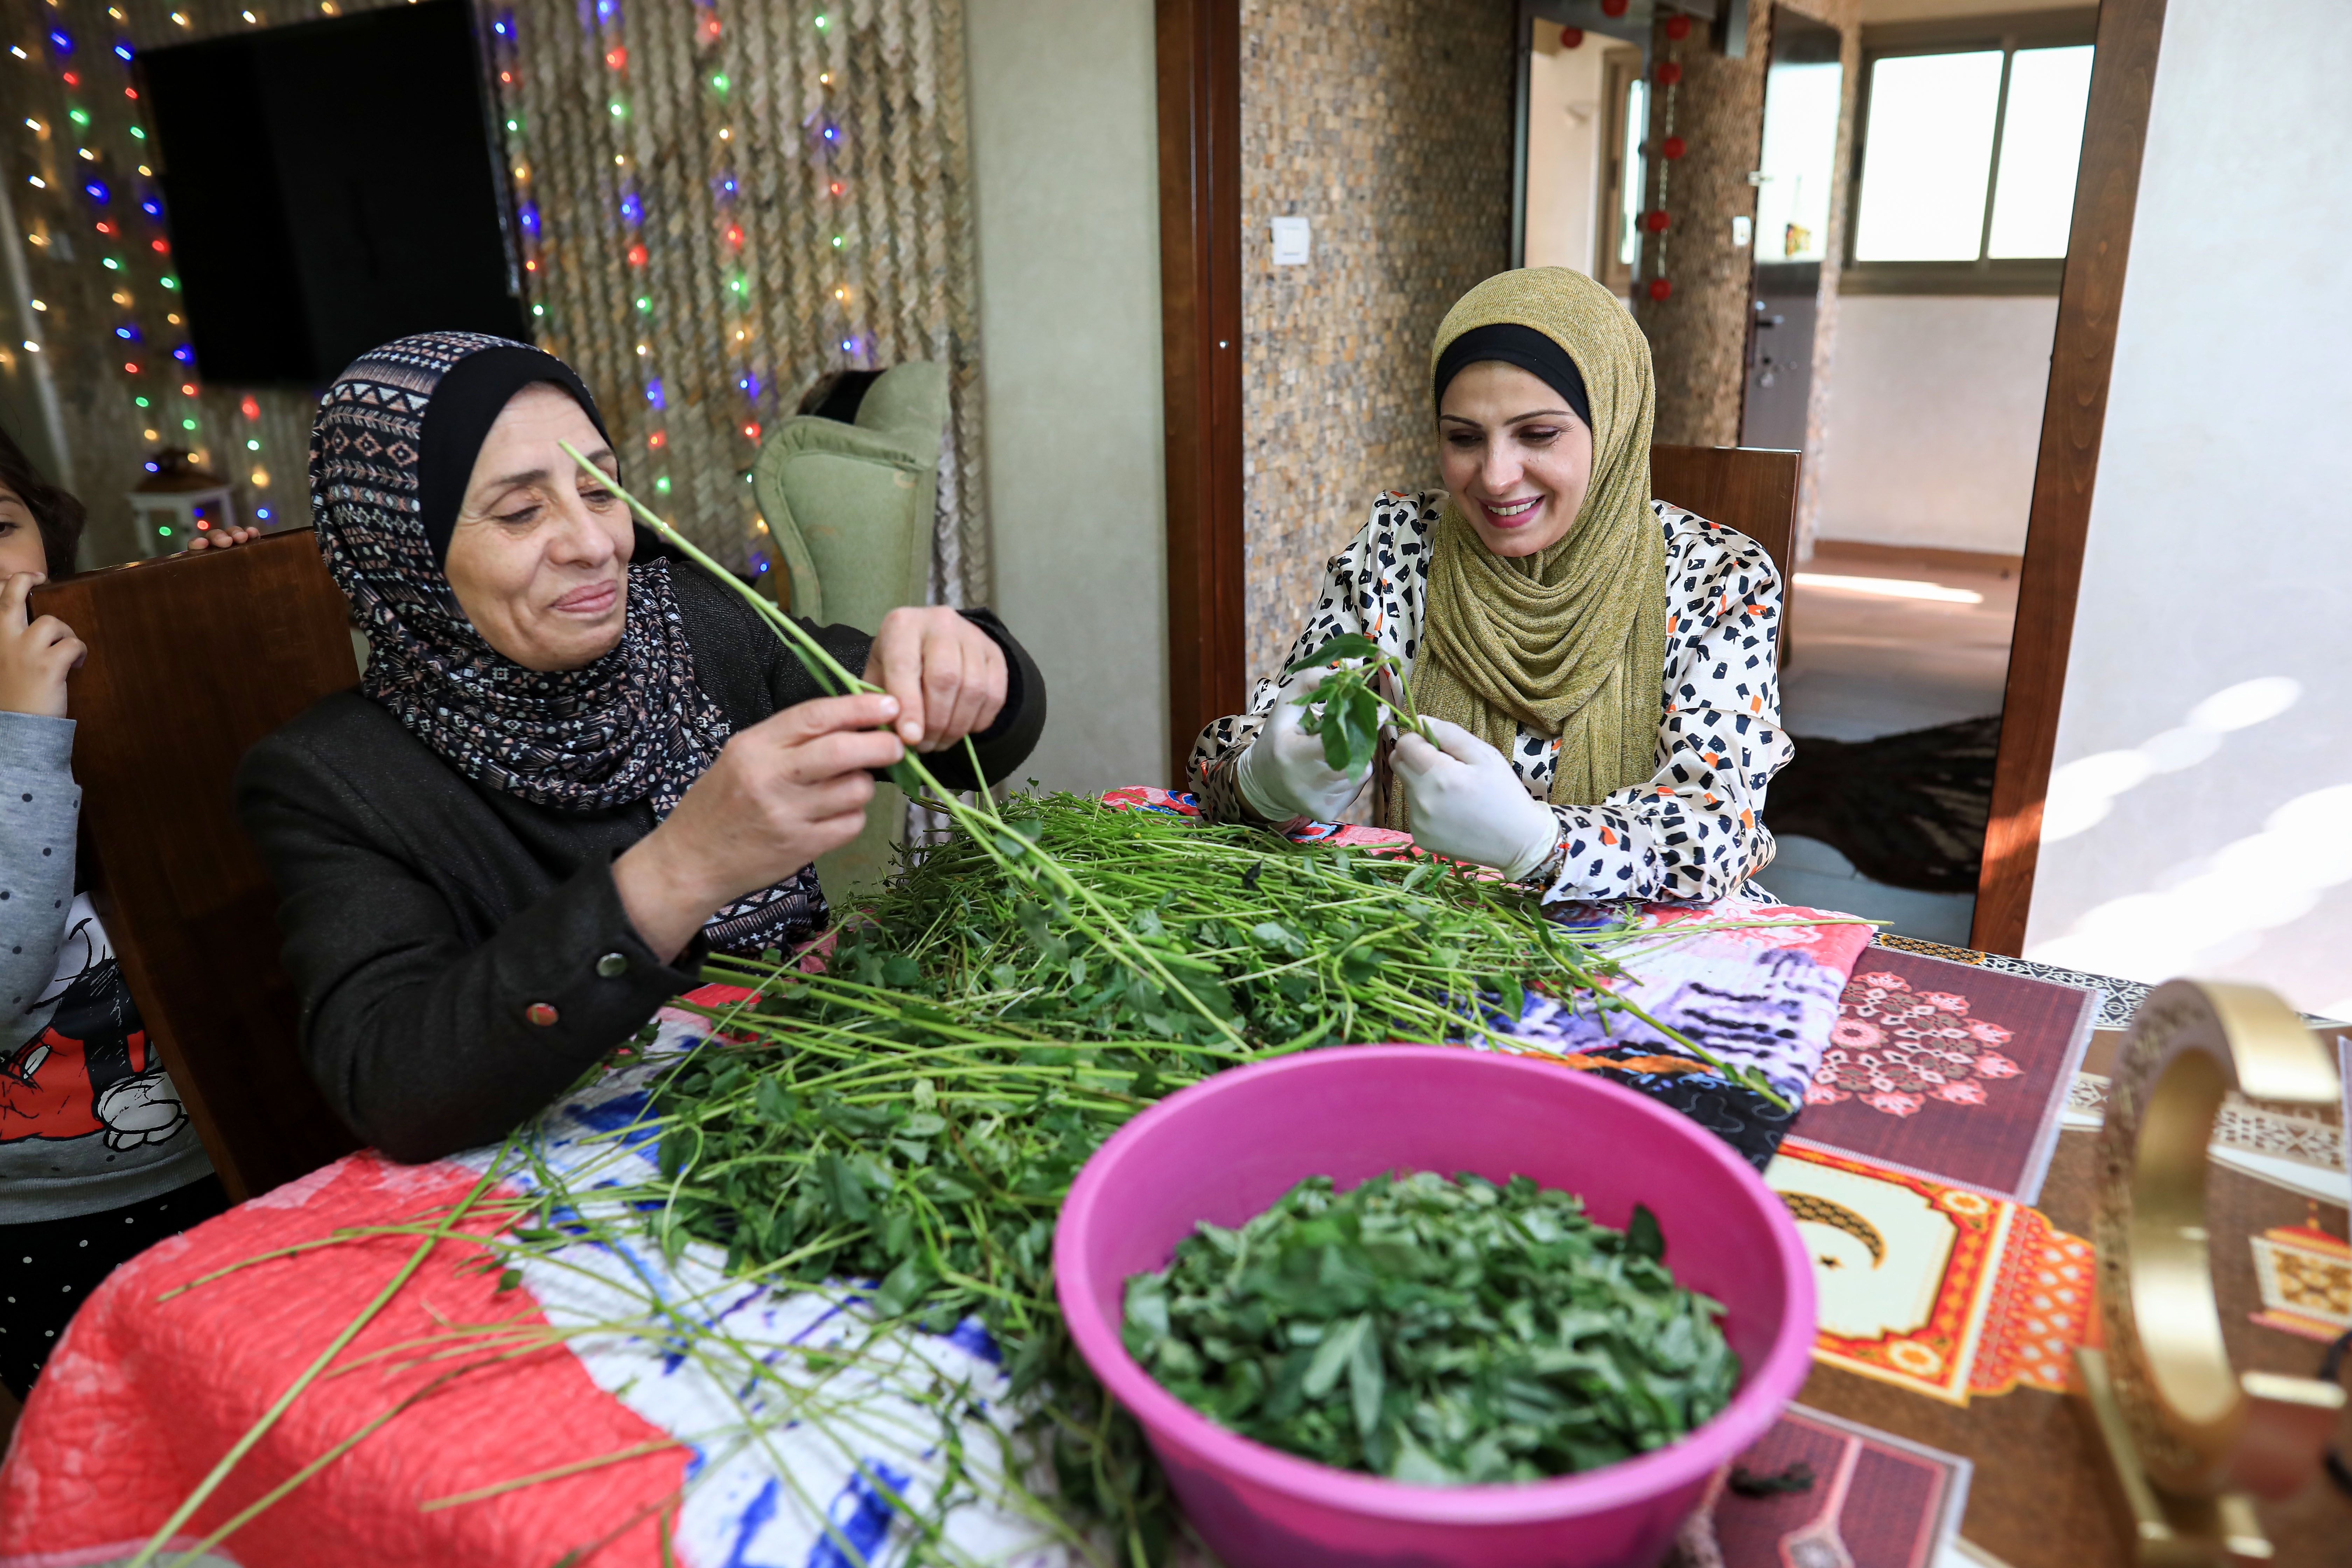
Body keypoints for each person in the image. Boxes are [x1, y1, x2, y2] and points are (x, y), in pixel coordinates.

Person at [236, 332, 1045, 1164]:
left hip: (808, 1119)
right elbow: (397, 1087)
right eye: (521, 512)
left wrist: (968, 669)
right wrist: (683, 868)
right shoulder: (332, 779)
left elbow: (936, 737)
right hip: (574, 1194)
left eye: (601, 488)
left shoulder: (691, 619)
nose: (594, 543)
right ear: (401, 551)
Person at [1190, 267, 1788, 901]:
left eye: (1538, 434)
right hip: (1431, 940)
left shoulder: (1719, 577)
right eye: (1464, 438)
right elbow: (1238, 760)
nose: (1496, 477)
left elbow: (1716, 830)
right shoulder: (1400, 548)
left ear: (1614, 426)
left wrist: (1541, 846)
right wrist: (1261, 783)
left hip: (1647, 957)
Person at [0, 429, 255, 1399]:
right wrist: (23, 733)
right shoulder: (32, 712)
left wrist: (203, 613)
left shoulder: (85, 663)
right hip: (46, 1223)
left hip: (215, 1151)